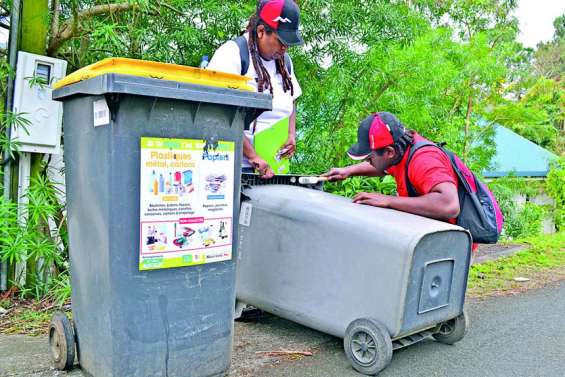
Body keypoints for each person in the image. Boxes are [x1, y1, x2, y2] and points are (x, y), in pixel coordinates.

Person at [207, 0, 304, 178]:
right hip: (233, 168)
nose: (285, 48)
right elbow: (216, 113)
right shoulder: (232, 54)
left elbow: (291, 100)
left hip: (273, 167)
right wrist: (253, 156)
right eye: (281, 41)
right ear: (261, 31)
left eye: (288, 44)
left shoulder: (284, 62)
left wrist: (291, 134)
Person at [323, 112, 461, 223]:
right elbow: (380, 164)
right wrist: (348, 171)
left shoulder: (424, 160)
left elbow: (449, 205)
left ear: (389, 152)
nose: (368, 161)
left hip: (453, 238)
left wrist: (387, 200)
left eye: (370, 158)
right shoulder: (399, 152)